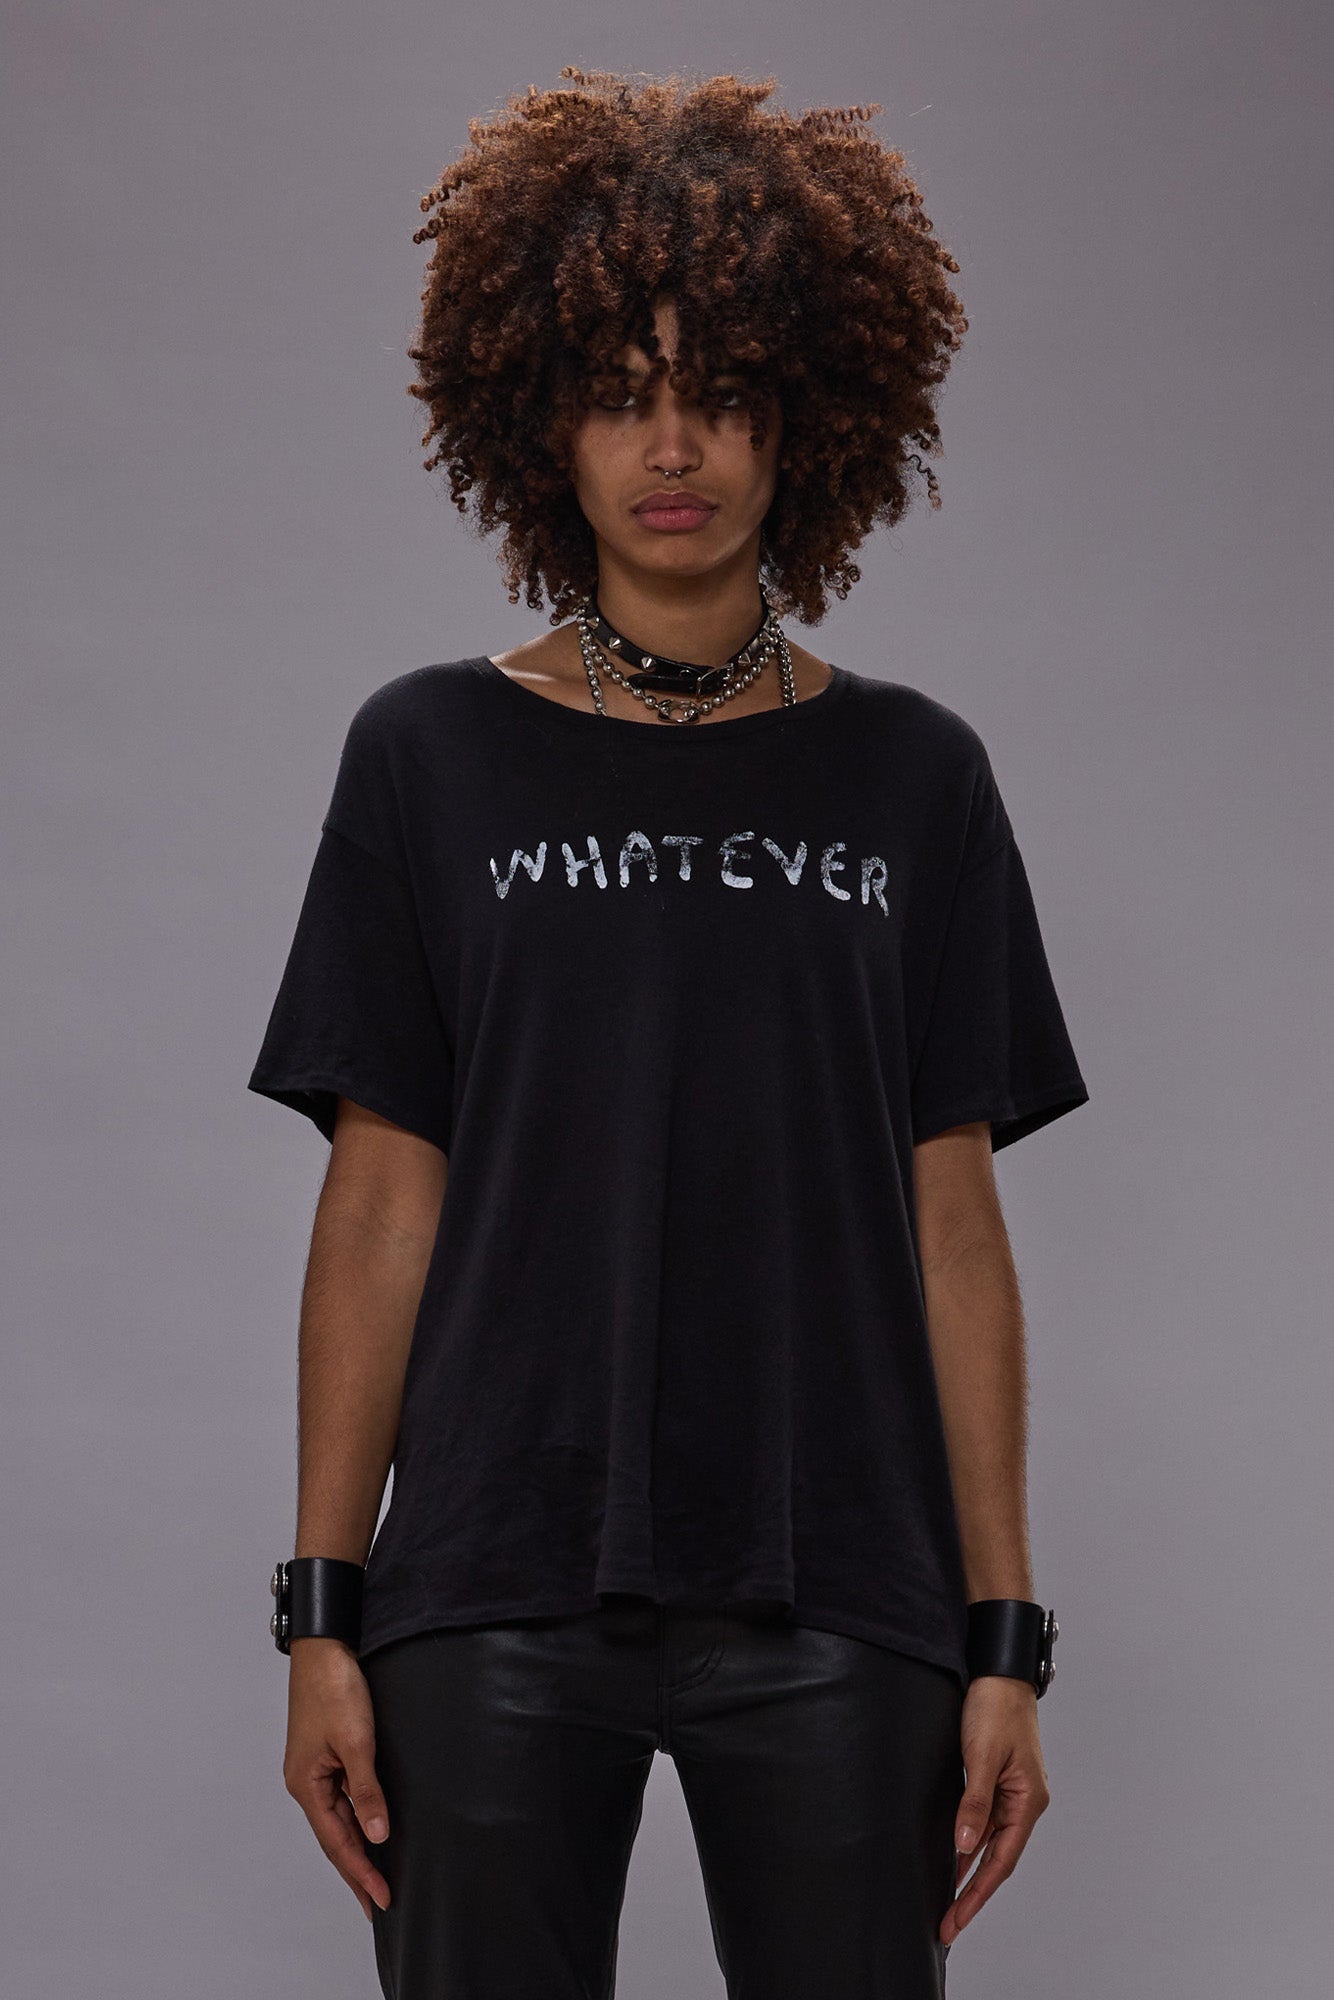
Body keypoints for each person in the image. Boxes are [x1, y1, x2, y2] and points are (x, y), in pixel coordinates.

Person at [249, 67, 1088, 2000]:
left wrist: (1003, 1641)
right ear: (541, 420)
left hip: (842, 1589)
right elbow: (383, 1203)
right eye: (619, 390)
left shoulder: (916, 776)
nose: (673, 444)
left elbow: (951, 1226)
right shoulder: (426, 753)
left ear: (812, 415)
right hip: (487, 1583)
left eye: (723, 391)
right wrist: (319, 1615)